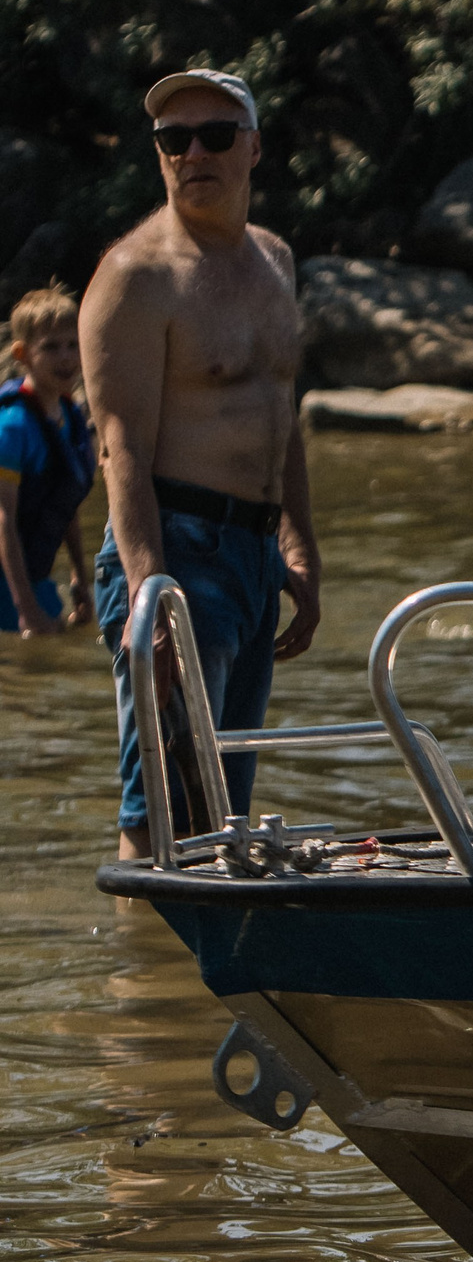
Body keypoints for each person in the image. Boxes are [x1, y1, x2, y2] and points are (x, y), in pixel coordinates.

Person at [83, 68, 321, 858]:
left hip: (253, 556)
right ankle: (140, 977)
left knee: (222, 818)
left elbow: (281, 415)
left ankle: (194, 979)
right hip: (175, 552)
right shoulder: (135, 277)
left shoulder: (274, 260)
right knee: (162, 818)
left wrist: (299, 544)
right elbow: (121, 449)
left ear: (253, 147)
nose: (193, 152)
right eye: (172, 139)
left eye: (215, 135)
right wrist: (151, 594)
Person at [0, 284, 97, 638]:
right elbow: (4, 521)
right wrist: (25, 611)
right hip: (9, 585)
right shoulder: (13, 427)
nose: (66, 358)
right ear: (22, 354)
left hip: (36, 579)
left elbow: (64, 499)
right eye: (51, 347)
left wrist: (80, 581)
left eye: (73, 345)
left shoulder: (70, 418)